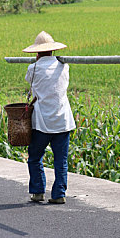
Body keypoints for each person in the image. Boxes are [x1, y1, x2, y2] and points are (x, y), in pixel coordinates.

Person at [23, 31, 76, 204]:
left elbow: (32, 84)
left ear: (37, 53)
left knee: (35, 156)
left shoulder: (33, 68)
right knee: (61, 160)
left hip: (42, 122)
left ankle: (38, 191)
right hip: (63, 120)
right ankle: (59, 194)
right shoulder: (64, 66)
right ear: (53, 50)